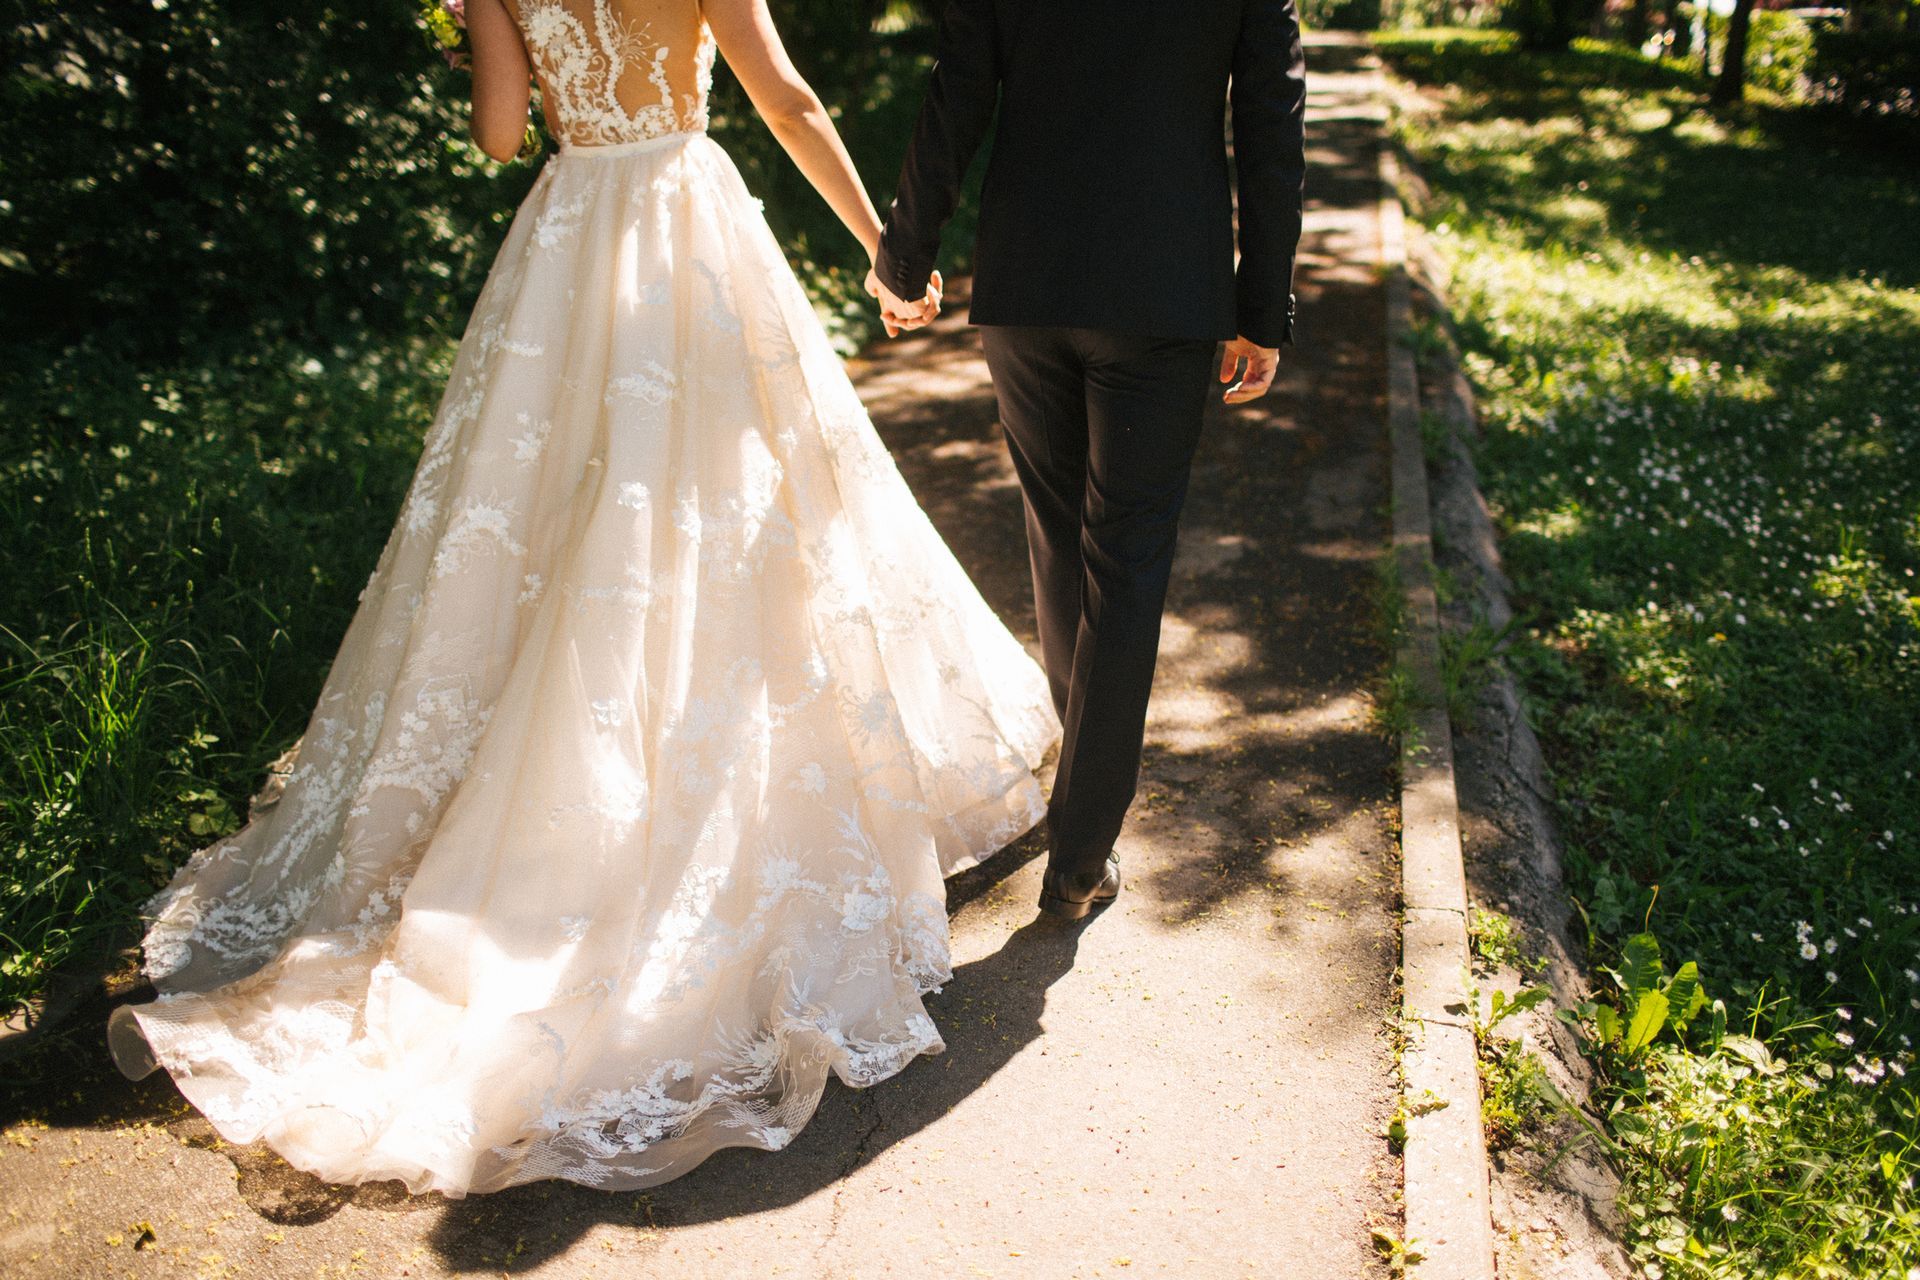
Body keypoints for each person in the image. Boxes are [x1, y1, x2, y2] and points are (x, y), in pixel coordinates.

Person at [105, 0, 1060, 1198]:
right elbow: (786, 99)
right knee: (734, 508)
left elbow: (503, 138)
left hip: (572, 234)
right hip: (685, 228)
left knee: (551, 525)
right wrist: (882, 238)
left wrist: (477, 35)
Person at [868, 0, 1307, 920]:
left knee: (1062, 543)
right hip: (1163, 288)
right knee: (1126, 558)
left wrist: (905, 256)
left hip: (1029, 279)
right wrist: (1260, 310)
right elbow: (1271, 118)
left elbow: (957, 90)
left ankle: (1082, 809)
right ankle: (1080, 851)